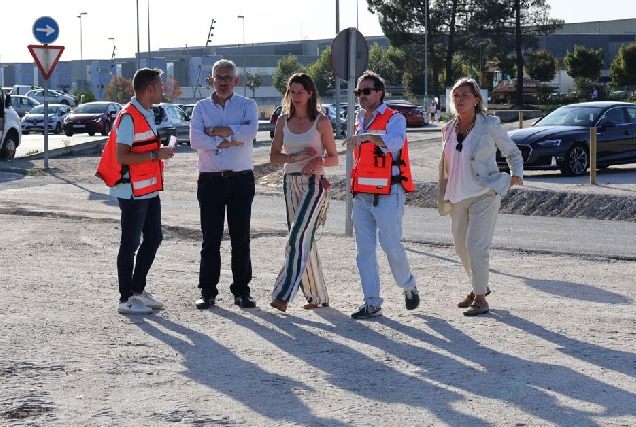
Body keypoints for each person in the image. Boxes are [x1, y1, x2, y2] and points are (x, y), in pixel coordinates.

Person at [437, 77, 523, 316]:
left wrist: (514, 177)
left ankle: (481, 300)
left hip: (485, 193)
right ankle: (479, 287)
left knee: (476, 245)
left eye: (465, 95)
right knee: (460, 247)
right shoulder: (448, 129)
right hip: (456, 195)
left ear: (477, 99)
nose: (459, 99)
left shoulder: (490, 124)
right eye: (455, 95)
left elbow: (512, 152)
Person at [95, 67, 175, 314]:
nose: (163, 89)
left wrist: (158, 152)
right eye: (160, 85)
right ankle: (125, 298)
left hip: (148, 189)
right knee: (130, 244)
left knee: (154, 238)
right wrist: (156, 154)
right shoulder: (129, 116)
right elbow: (122, 155)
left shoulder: (146, 113)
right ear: (149, 88)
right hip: (131, 191)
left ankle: (137, 290)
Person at [343, 71, 420, 319]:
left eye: (366, 91)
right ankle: (372, 302)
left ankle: (408, 286)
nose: (361, 96)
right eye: (358, 92)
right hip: (361, 194)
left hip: (388, 193)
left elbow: (395, 142)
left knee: (391, 246)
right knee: (364, 251)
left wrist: (367, 137)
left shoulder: (394, 118)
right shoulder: (358, 118)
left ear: (379, 93)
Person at [189, 59, 259, 310]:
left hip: (241, 180)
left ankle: (242, 291)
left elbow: (250, 133)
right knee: (210, 239)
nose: (223, 82)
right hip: (210, 181)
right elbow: (196, 139)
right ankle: (207, 291)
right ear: (211, 79)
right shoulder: (200, 108)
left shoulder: (247, 105)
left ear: (236, 81)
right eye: (219, 77)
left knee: (241, 238)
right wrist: (228, 139)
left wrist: (217, 131)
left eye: (228, 78)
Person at [269, 73, 339, 312]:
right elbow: (274, 156)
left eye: (300, 92)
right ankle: (318, 295)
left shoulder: (322, 122)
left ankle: (282, 293)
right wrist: (295, 158)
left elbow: (334, 158)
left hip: (315, 183)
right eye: (292, 92)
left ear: (310, 94)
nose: (295, 97)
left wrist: (318, 159)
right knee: (304, 238)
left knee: (296, 236)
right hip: (290, 182)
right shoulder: (282, 120)